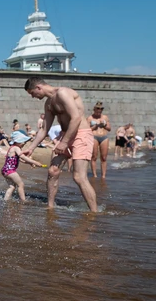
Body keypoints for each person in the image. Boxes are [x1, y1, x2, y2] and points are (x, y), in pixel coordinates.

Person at [21, 77, 99, 212]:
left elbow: (76, 118)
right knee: (53, 171)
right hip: (65, 136)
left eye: (32, 93)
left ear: (39, 87)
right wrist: (31, 148)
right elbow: (44, 129)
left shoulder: (63, 93)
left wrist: (63, 143)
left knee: (79, 177)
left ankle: (94, 212)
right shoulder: (48, 104)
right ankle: (50, 208)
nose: (33, 97)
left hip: (81, 134)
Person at [87, 102, 112, 179]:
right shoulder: (90, 118)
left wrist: (104, 125)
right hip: (94, 136)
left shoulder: (105, 117)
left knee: (104, 157)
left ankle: (103, 176)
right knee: (94, 156)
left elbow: (109, 129)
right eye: (97, 109)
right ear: (94, 109)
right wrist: (95, 126)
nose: (99, 111)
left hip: (104, 137)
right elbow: (87, 130)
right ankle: (94, 175)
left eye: (101, 109)